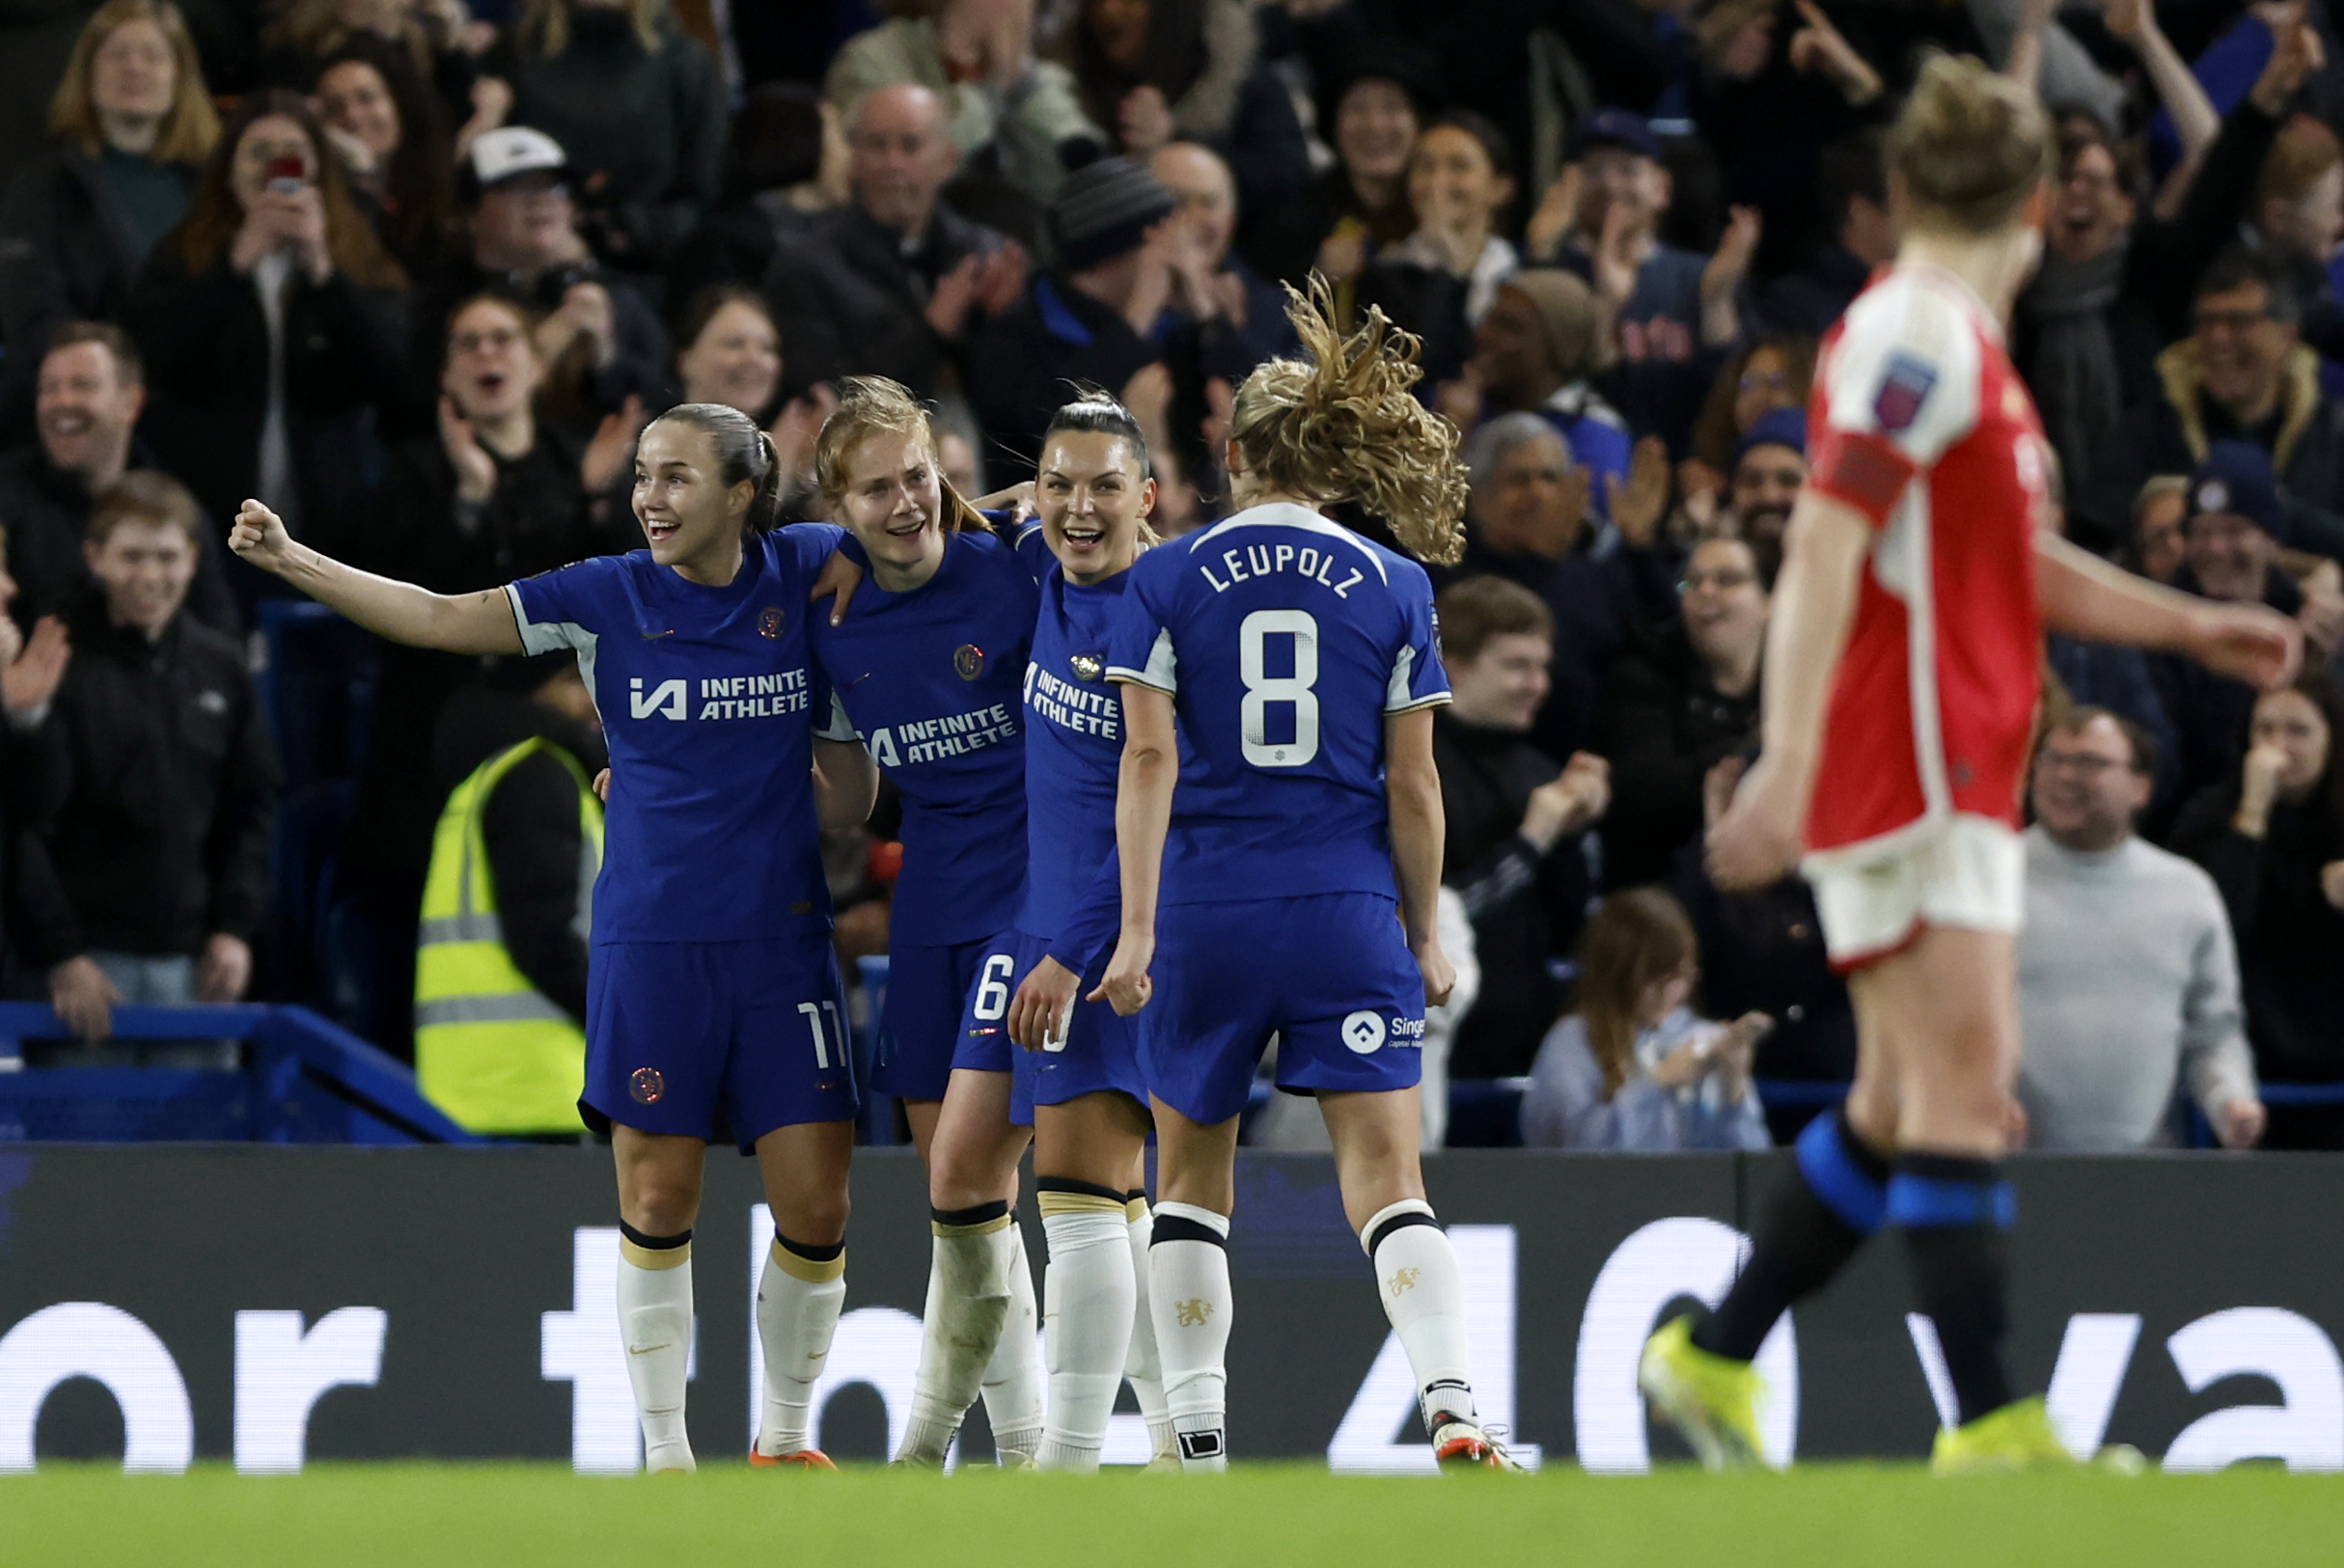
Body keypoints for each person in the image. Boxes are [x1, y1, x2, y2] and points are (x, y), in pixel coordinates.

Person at [1649, 56, 2299, 1474]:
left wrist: (2190, 623)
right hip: (1913, 765)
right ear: (2034, 210)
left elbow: (2008, 565)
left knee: (1899, 1108)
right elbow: (1819, 545)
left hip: (1937, 761)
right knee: (1965, 1095)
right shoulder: (1918, 340)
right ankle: (1997, 1432)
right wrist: (1790, 760)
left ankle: (1709, 1352)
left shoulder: (1938, 341)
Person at [228, 399, 880, 1472]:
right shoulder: (602, 592)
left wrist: (1045, 505)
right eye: (640, 475)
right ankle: (666, 1455)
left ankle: (785, 1437)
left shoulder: (804, 568)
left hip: (783, 938)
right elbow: (436, 616)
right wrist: (297, 559)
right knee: (660, 1197)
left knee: (819, 1202)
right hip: (654, 942)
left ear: (740, 493)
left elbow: (921, 530)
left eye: (675, 477)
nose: (648, 498)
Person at [1095, 282, 1517, 1471]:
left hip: (1208, 905)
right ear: (1331, 464)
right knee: (1387, 1177)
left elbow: (1145, 754)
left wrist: (1133, 933)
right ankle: (1450, 1399)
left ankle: (1195, 1433)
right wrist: (1424, 933)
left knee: (1188, 1179)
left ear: (1226, 453)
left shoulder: (1164, 578)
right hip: (1346, 908)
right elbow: (1415, 789)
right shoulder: (1395, 585)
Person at [802, 378, 1048, 1468]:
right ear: (836, 502)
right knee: (964, 1202)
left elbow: (1083, 508)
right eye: (878, 488)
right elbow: (849, 798)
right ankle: (1036, 1457)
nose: (907, 502)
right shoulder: (831, 614)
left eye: (919, 476)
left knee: (964, 1174)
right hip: (931, 902)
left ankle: (927, 1447)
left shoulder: (1021, 566)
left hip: (1033, 893)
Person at [979, 395, 1175, 1472]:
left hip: (1110, 942)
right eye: (1059, 482)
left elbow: (1158, 799)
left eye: (1105, 484)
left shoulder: (1158, 607)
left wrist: (1076, 947)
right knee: (1122, 1207)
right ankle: (1188, 1453)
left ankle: (1063, 1465)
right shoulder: (1046, 565)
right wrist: (1016, 498)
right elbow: (983, 511)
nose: (1077, 505)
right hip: (1062, 928)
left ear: (1149, 497)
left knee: (1081, 1198)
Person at [14, 473, 278, 1055]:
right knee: (84, 1146)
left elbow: (251, 810)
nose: (151, 576)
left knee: (202, 1148)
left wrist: (233, 930)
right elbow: (23, 823)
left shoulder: (223, 668)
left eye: (166, 557)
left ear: (192, 559)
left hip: (196, 969)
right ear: (95, 558)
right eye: (131, 556)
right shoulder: (53, 662)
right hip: (84, 975)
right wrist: (61, 956)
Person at [124, 90, 410, 560]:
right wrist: (235, 265)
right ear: (229, 171)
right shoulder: (184, 255)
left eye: (292, 155)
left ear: (318, 168)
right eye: (257, 153)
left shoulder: (358, 257)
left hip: (333, 520)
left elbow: (392, 377)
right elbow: (158, 363)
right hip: (210, 518)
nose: (274, 168)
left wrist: (323, 273)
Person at [2018, 708, 2262, 1152]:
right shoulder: (1988, 879)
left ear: (2141, 787)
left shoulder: (2186, 892)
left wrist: (2230, 1100)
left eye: (2091, 763)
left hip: (2144, 1176)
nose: (2066, 776)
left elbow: (2214, 1031)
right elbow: (1939, 1022)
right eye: (2052, 759)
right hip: (2005, 1167)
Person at [0, 0, 218, 438]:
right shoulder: (41, 187)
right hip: (82, 420)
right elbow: (32, 313)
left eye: (153, 55)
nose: (133, 67)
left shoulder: (214, 188)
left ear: (180, 76)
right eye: (117, 54)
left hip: (198, 420)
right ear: (88, 73)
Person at [414, 651, 608, 1138]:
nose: (595, 702)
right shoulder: (538, 778)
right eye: (574, 681)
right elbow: (546, 939)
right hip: (543, 1085)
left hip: (477, 1090)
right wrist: (633, 1026)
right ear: (530, 686)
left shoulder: (490, 777)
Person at [1432, 574, 1610, 1081]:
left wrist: (1581, 832)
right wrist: (1531, 843)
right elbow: (1429, 926)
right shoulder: (1409, 772)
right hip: (1439, 1047)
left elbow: (1572, 920)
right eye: (1517, 666)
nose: (1538, 685)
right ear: (1454, 668)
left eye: (1542, 667)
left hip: (1526, 1042)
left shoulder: (1537, 769)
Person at [762, 83, 1025, 401]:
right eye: (876, 145)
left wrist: (1004, 322)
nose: (893, 164)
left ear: (948, 160)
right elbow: (821, 397)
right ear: (854, 160)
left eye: (910, 146)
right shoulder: (805, 268)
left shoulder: (987, 254)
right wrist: (930, 334)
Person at [2173, 674, 2344, 1149]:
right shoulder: (2212, 813)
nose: (2278, 747)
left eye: (2298, 731)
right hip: (2246, 1049)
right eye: (2264, 729)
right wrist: (2252, 815)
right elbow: (2215, 925)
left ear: (2331, 738)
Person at [1454, 413, 1669, 765]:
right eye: (1518, 479)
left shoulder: (1592, 574)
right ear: (1477, 495)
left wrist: (1639, 548)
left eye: (1550, 478)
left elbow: (1663, 644)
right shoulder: (1448, 574)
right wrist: (1541, 563)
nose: (1536, 493)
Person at [417, 125, 670, 426]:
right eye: (517, 186)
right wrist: (540, 351)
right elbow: (423, 409)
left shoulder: (616, 296)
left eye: (554, 186)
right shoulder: (440, 305)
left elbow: (669, 404)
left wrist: (606, 358)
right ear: (471, 213)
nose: (540, 199)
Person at [0, 322, 237, 633]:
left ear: (131, 403)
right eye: (49, 388)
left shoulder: (175, 510)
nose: (62, 402)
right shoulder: (5, 499)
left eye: (82, 385)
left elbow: (220, 645)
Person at [1060, 0, 1310, 278]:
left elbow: (1287, 176)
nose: (1109, 10)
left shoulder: (1241, 80)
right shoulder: (1071, 94)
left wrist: (1176, 145)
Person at [483, 0, 725, 279]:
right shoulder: (513, 56)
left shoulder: (684, 63)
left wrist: (630, 228)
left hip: (650, 272)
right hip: (528, 267)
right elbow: (486, 184)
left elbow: (707, 198)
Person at [2131, 247, 2344, 561]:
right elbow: (2103, 524)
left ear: (2286, 337)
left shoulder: (2333, 434)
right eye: (2206, 321)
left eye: (2239, 321)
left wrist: (2270, 508)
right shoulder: (2155, 424)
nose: (2217, 337)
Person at [1521, 887, 1772, 1151]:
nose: (1672, 993)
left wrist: (1733, 1092)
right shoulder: (1572, 1041)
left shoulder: (1704, 1037)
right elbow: (1573, 1151)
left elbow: (1748, 1163)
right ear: (1619, 975)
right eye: (1658, 981)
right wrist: (1659, 1082)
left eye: (1683, 977)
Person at [965, 155, 1176, 469]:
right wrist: (1136, 319)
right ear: (1116, 251)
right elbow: (1047, 426)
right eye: (1163, 245)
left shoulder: (1175, 324)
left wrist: (1213, 320)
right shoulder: (1011, 337)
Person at [1596, 535, 1771, 890]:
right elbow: (1646, 797)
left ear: (1769, 601)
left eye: (1727, 580)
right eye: (1692, 581)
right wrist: (1754, 746)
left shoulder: (1796, 683)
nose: (1705, 591)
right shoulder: (1642, 676)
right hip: (1664, 884)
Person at [823, 0, 1102, 209]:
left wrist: (1020, 82)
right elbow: (898, 181)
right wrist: (977, 82)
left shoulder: (1039, 80)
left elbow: (1086, 188)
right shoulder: (874, 58)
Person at [1443, 270, 1632, 513]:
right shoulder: (1456, 404)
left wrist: (1454, 444)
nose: (1483, 334)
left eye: (1509, 327)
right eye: (1489, 318)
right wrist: (1449, 427)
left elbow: (1549, 535)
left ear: (1559, 347)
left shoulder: (1595, 435)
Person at [1356, 112, 1518, 385]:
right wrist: (1449, 272)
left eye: (1459, 166)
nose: (1437, 181)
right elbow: (1423, 371)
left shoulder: (1521, 269)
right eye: (1425, 167)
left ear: (1501, 188)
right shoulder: (1384, 276)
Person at [670, 286, 830, 510]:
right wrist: (777, 475)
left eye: (767, 348)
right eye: (735, 344)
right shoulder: (657, 453)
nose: (754, 359)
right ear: (685, 360)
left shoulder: (777, 447)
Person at [312, 36, 461, 272]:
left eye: (366, 98)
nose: (351, 116)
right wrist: (361, 178)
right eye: (334, 108)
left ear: (399, 104)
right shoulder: (319, 199)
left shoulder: (444, 187)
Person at [1147, 141, 1299, 372]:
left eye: (1208, 203)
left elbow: (1284, 401)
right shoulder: (1115, 303)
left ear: (1230, 222)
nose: (1193, 217)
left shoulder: (1281, 316)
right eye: (1177, 201)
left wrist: (1214, 323)